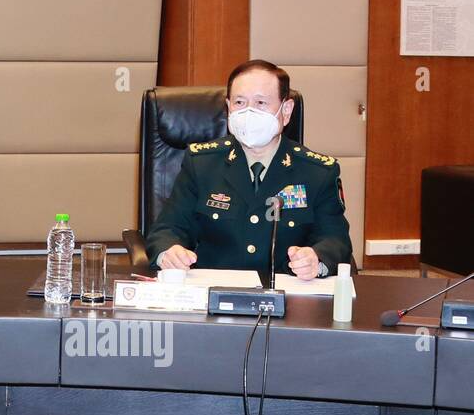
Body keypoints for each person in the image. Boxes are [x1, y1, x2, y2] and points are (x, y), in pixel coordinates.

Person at [146, 59, 352, 280]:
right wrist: (169, 253)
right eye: (239, 103)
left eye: (261, 103)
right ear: (228, 107)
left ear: (286, 110)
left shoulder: (317, 172)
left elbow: (336, 240)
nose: (248, 113)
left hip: (286, 298)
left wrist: (316, 259)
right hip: (214, 294)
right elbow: (167, 229)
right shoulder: (201, 163)